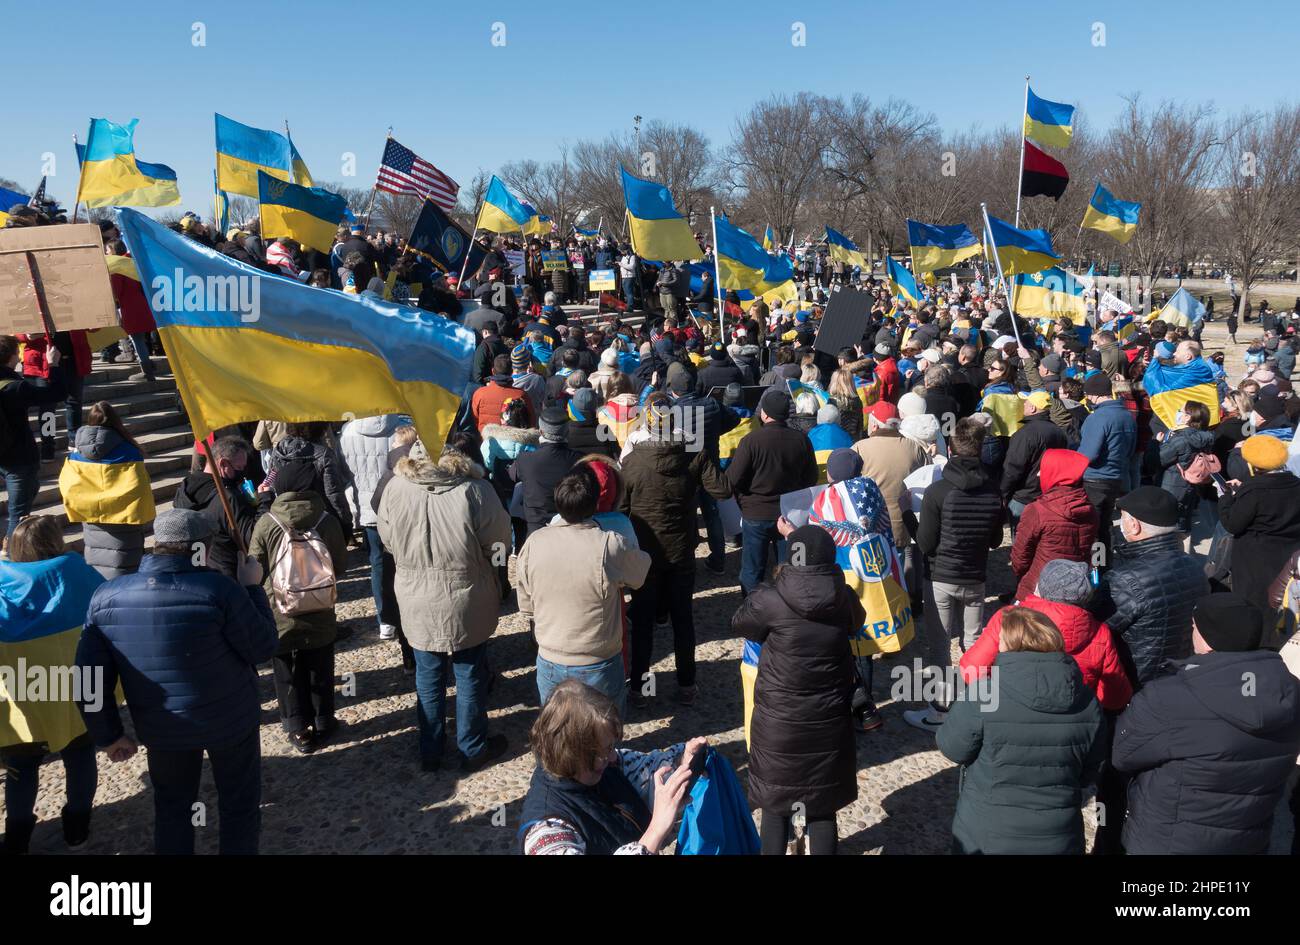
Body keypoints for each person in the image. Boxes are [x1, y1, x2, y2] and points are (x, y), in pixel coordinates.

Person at [75, 509, 278, 854]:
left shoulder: (106, 597)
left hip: (163, 728)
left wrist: (107, 734)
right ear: (201, 547)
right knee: (239, 807)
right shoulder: (220, 589)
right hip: (230, 722)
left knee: (172, 810)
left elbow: (88, 679)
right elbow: (263, 646)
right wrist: (253, 588)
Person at [1114, 593, 1300, 854]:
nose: (1191, 631)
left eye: (1194, 626)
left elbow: (1123, 755)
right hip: (1246, 841)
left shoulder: (1167, 698)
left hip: (1169, 840)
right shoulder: (1289, 691)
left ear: (1209, 639)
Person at [377, 440, 511, 773]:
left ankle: (431, 748)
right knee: (469, 672)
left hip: (415, 594)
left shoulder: (396, 488)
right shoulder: (475, 489)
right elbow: (499, 543)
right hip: (466, 593)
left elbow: (388, 540)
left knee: (428, 672)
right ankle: (472, 747)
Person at [732, 525, 864, 855]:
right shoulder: (842, 596)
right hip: (828, 722)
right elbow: (857, 622)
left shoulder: (770, 599)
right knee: (822, 806)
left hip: (779, 724)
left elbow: (739, 623)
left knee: (776, 807)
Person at [936, 607, 1106, 854]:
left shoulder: (985, 693)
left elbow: (952, 748)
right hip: (1059, 837)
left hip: (987, 834)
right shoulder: (1089, 702)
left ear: (1008, 644)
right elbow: (1092, 770)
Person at [1, 516, 104, 853]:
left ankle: (16, 838)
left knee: (22, 766)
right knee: (80, 755)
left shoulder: (2, 583)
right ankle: (77, 828)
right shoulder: (76, 571)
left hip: (25, 689)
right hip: (78, 683)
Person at [622, 396, 731, 708]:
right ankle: (686, 684)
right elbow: (722, 490)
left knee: (642, 621)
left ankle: (639, 689)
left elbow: (620, 508)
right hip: (681, 549)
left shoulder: (632, 462)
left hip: (645, 552)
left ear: (646, 423)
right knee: (682, 618)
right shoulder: (694, 455)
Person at [517, 465, 650, 714]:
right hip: (598, 661)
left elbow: (526, 604)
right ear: (593, 505)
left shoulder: (534, 542)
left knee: (555, 735)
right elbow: (640, 574)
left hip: (550, 656)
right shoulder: (609, 544)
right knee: (604, 737)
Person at [518, 679, 706, 855]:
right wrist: (656, 829)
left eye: (611, 747)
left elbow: (648, 770)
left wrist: (683, 762)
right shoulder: (546, 832)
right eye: (604, 751)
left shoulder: (603, 766)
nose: (613, 756)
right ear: (573, 755)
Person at [906, 417, 1004, 732]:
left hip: (940, 578)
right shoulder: (993, 491)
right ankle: (976, 704)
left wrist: (908, 515)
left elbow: (924, 543)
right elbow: (995, 541)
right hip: (974, 576)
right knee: (975, 643)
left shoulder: (937, 491)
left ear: (950, 448)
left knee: (938, 644)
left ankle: (940, 710)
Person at [248, 460, 349, 754]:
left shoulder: (267, 522)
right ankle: (324, 720)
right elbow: (340, 565)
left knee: (286, 670)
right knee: (320, 664)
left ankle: (298, 728)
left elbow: (256, 566)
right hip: (319, 607)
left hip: (280, 610)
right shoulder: (326, 520)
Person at [960, 560, 1133, 711]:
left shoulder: (1008, 618)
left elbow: (972, 670)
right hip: (1072, 724)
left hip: (1011, 713)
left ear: (1040, 588)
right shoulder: (1100, 634)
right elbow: (1115, 698)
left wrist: (1002, 695)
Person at [727, 388, 818, 596]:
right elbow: (810, 477)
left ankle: (753, 611)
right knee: (791, 568)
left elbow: (733, 479)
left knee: (752, 570)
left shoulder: (751, 441)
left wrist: (744, 499)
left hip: (755, 514)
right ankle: (790, 609)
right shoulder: (801, 440)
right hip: (789, 515)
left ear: (765, 414)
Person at [57, 400, 155, 578]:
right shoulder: (130, 451)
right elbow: (140, 487)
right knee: (126, 572)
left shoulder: (76, 454)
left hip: (92, 518)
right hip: (125, 521)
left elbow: (68, 484)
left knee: (97, 564)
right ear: (116, 422)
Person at [339, 414, 406, 640]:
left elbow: (344, 471)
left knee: (378, 563)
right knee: (406, 560)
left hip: (369, 506)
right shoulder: (403, 428)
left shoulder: (347, 432)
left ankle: (386, 620)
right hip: (400, 504)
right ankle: (406, 613)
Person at [1219, 435, 1300, 615]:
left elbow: (1233, 523)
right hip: (1289, 559)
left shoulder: (1255, 490)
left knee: (1255, 608)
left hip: (1255, 562)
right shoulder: (1296, 483)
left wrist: (1225, 497)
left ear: (1254, 465)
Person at [1008, 449, 1098, 602]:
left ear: (1056, 473)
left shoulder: (1037, 510)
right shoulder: (1090, 509)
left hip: (1039, 587)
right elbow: (1095, 549)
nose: (1037, 474)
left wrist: (1024, 577)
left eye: (1043, 468)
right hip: (1074, 589)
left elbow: (1020, 556)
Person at [0, 335, 65, 547]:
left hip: (5, 455)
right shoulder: (15, 387)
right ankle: (11, 557)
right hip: (18, 455)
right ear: (13, 356)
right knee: (18, 513)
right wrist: (53, 364)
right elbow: (56, 393)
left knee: (30, 488)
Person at [171, 436, 262, 580]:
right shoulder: (228, 498)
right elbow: (252, 537)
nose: (242, 473)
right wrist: (264, 503)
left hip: (194, 569)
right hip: (229, 576)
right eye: (239, 468)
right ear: (223, 463)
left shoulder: (185, 487)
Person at [1077, 373, 1137, 556]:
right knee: (1103, 526)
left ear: (1093, 394)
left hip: (1094, 480)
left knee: (1090, 529)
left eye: (1088, 395)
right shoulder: (1127, 416)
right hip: (1116, 478)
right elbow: (1131, 450)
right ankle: (1104, 567)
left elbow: (1089, 455)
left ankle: (1094, 567)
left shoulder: (1098, 418)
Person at [510, 406, 585, 536]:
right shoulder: (580, 460)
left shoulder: (525, 459)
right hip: (570, 531)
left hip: (536, 531)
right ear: (567, 432)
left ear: (541, 431)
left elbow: (512, 477)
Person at [1000, 390, 1068, 521]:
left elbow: (1013, 468)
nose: (1024, 404)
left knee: (1022, 539)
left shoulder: (1025, 434)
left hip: (1024, 498)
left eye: (1026, 402)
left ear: (1033, 408)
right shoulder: (1058, 431)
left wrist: (1003, 493)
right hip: (1049, 495)